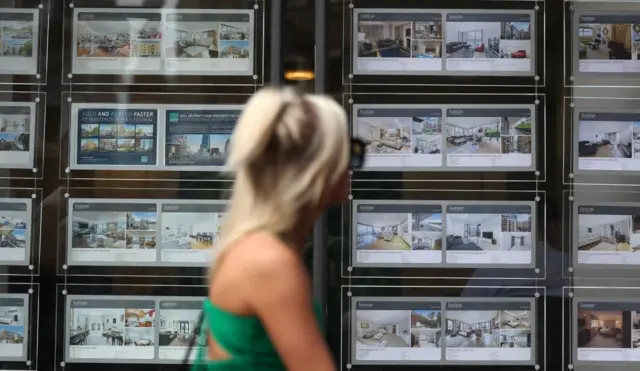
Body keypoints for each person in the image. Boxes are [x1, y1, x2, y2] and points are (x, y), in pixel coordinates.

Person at [193, 87, 363, 370]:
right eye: (347, 151)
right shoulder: (271, 263)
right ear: (318, 168)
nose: (353, 164)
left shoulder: (254, 248)